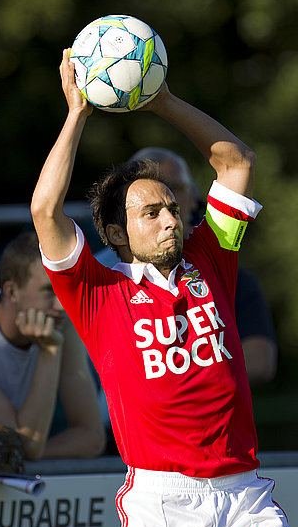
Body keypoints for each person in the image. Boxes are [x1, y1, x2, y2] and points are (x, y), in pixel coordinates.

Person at [31, 48, 298, 527]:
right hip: (160, 504)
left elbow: (237, 162)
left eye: (173, 208)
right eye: (150, 212)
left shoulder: (212, 255)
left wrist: (163, 101)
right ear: (117, 232)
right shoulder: (96, 292)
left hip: (244, 497)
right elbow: (44, 211)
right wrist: (77, 114)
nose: (169, 219)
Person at [95, 146, 278, 387]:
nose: (161, 196)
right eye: (146, 193)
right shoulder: (98, 278)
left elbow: (260, 362)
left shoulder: (218, 262)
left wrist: (182, 390)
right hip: (106, 411)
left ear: (193, 197)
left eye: (173, 187)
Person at [0, 231, 105, 460]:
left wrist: (24, 459)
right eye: (49, 291)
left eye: (65, 290)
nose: (61, 306)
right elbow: (26, 443)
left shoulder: (61, 324)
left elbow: (91, 438)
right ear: (11, 292)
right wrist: (49, 351)